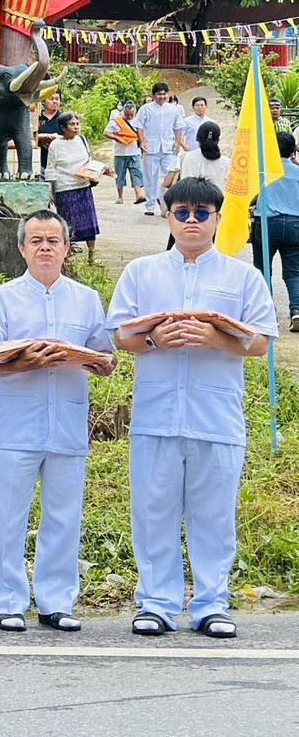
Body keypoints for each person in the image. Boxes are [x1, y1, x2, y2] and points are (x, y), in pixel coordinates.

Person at [108, 178, 277, 639]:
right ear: (168, 217)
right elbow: (121, 336)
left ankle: (211, 604)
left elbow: (260, 343)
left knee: (214, 514)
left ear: (218, 219)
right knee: (153, 510)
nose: (191, 221)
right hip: (156, 413)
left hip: (216, 416)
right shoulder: (142, 272)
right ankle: (157, 603)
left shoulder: (243, 277)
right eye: (182, 212)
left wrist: (216, 338)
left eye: (202, 213)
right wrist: (154, 338)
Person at [0, 211, 112, 633]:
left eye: (54, 240)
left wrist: (89, 360)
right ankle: (9, 601)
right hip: (18, 424)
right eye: (36, 240)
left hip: (68, 425)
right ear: (22, 248)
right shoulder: (2, 298)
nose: (45, 247)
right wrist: (25, 360)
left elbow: (106, 360)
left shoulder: (87, 299)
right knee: (10, 515)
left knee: (64, 515)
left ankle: (56, 601)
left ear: (68, 248)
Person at [47, 111, 109, 259]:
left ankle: (92, 256)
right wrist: (50, 191)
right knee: (67, 224)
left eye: (77, 124)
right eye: (72, 124)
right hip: (65, 189)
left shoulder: (82, 140)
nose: (76, 127)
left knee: (89, 222)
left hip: (83, 186)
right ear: (63, 127)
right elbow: (50, 168)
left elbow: (89, 160)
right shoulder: (55, 145)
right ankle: (66, 257)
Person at [254, 130, 299, 332]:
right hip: (295, 225)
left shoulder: (262, 171)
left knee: (263, 269)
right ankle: (296, 311)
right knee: (294, 271)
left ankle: (268, 313)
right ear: (293, 151)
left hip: (266, 223)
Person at [135, 82, 183, 216]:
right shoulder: (145, 109)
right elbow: (140, 126)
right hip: (151, 147)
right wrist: (142, 142)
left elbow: (178, 127)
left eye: (164, 94)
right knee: (150, 176)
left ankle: (165, 203)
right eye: (159, 94)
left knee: (170, 176)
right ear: (153, 95)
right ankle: (150, 205)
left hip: (169, 147)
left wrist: (178, 143)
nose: (162, 96)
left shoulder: (174, 109)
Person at [105, 102, 146, 205]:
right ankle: (120, 197)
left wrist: (142, 146)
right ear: (123, 112)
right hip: (120, 153)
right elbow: (106, 132)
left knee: (136, 173)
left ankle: (139, 195)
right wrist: (116, 138)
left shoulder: (138, 121)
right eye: (127, 114)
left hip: (134, 152)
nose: (129, 116)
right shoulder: (116, 121)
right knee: (120, 175)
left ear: (135, 112)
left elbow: (142, 135)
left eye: (131, 114)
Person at [36, 91, 63, 180]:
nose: (55, 101)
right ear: (43, 101)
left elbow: (73, 138)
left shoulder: (64, 119)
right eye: (51, 99)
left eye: (57, 99)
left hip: (60, 165)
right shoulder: (36, 118)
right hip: (40, 164)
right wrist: (42, 137)